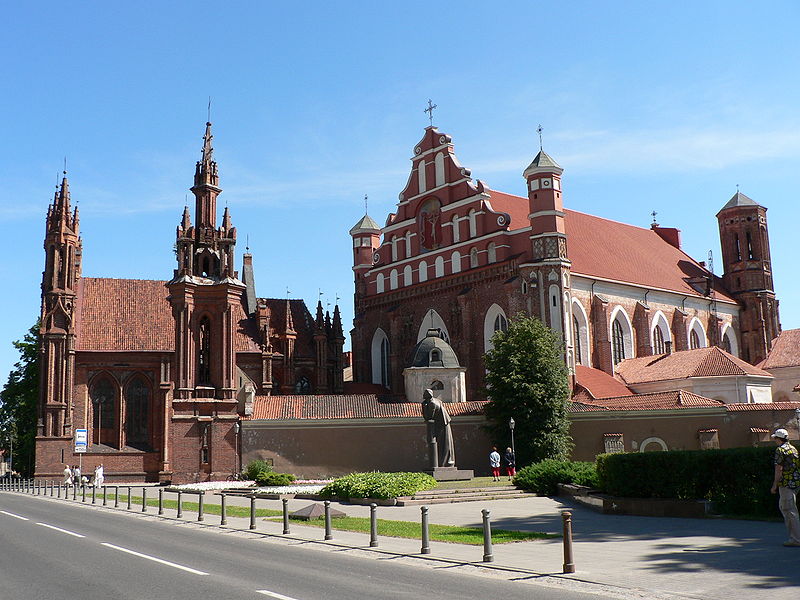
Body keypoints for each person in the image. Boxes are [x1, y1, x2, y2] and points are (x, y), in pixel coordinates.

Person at [770, 428, 800, 547]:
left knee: (789, 511)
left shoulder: (780, 450)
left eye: (775, 439)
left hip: (786, 484)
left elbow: (779, 469)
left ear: (779, 439)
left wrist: (774, 486)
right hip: (795, 483)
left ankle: (796, 539)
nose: (775, 441)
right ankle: (795, 537)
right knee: (788, 508)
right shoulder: (793, 448)